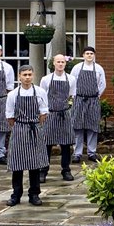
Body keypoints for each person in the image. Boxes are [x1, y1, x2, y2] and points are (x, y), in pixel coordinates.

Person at [5, 65, 49, 206]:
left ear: (33, 75)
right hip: (19, 129)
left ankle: (34, 194)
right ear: (19, 76)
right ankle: (16, 194)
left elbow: (43, 113)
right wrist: (20, 127)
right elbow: (10, 116)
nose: (27, 77)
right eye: (24, 75)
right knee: (17, 164)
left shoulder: (40, 92)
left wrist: (35, 126)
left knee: (34, 164)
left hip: (34, 128)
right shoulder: (12, 94)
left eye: (30, 74)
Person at [40, 54, 76, 182]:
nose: (60, 64)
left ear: (65, 64)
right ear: (53, 63)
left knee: (66, 144)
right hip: (50, 114)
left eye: (62, 62)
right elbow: (42, 97)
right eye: (58, 62)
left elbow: (72, 96)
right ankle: (43, 171)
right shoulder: (46, 79)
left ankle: (66, 170)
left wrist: (68, 108)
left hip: (64, 114)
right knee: (47, 144)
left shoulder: (71, 79)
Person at [70, 46, 106, 162]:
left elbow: (102, 84)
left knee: (93, 127)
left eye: (91, 53)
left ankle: (92, 152)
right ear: (83, 55)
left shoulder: (99, 68)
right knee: (77, 127)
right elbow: (72, 82)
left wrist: (96, 96)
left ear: (94, 55)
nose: (89, 55)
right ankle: (77, 153)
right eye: (87, 53)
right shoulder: (77, 68)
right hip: (79, 100)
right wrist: (76, 96)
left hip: (93, 100)